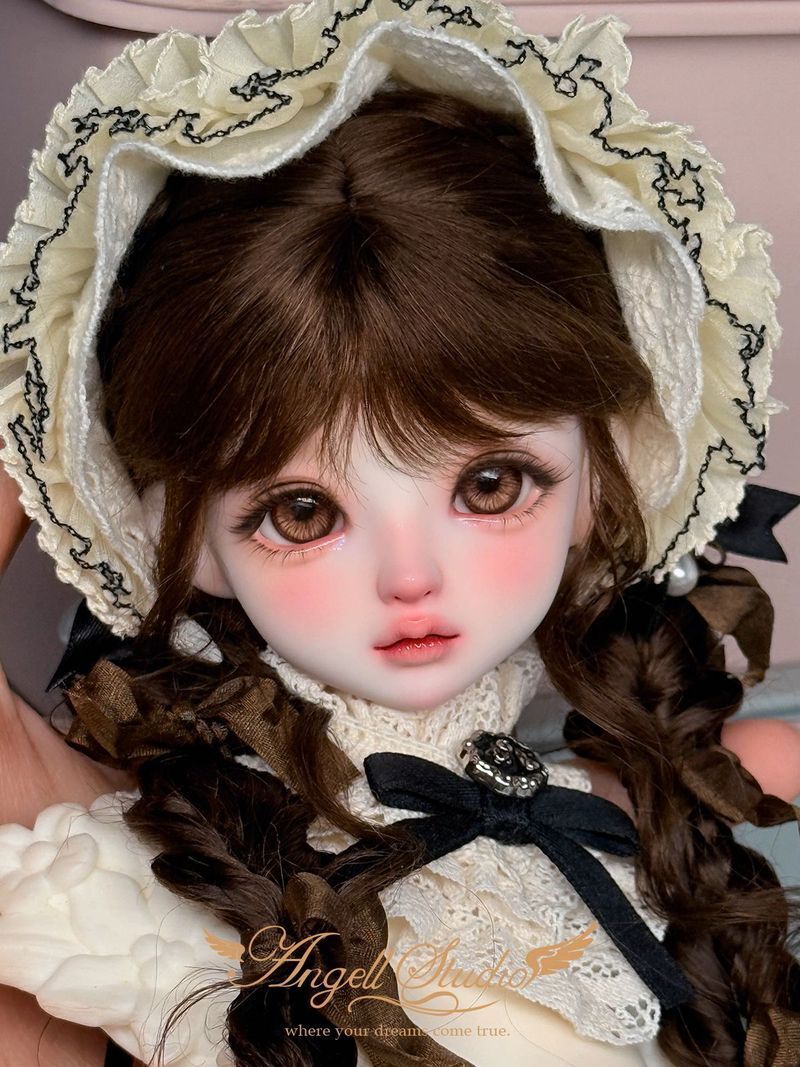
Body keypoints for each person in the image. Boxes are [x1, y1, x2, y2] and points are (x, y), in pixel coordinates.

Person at [1, 3, 799, 1065]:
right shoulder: (135, 864)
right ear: (180, 537)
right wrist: (33, 399)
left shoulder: (628, 819)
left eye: (490, 484)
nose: (411, 575)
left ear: (598, 486)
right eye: (302, 512)